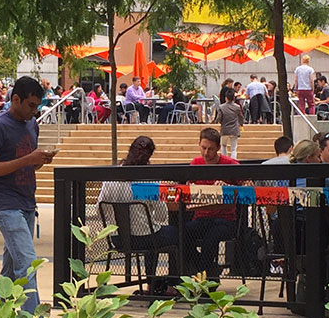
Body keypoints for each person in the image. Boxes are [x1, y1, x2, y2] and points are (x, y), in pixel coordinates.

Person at [0, 77, 56, 314]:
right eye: (31, 106)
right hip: (5, 204)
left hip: (26, 203)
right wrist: (29, 159)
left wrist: (39, 161)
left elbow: (27, 165)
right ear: (15, 100)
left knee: (12, 268)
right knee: (27, 263)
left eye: (37, 107)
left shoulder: (32, 124)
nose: (34, 112)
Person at [96, 136, 180, 291]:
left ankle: (151, 283)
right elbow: (161, 216)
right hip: (146, 238)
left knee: (152, 232)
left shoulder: (110, 179)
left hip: (117, 239)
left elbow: (100, 207)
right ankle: (169, 284)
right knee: (174, 234)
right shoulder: (150, 181)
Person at [187, 128, 240, 278]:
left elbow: (246, 187)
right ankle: (207, 270)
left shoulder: (230, 165)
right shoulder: (195, 163)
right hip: (201, 217)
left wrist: (227, 187)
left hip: (225, 220)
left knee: (211, 239)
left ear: (218, 148)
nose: (206, 153)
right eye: (203, 148)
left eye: (210, 149)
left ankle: (203, 276)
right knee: (182, 234)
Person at [215, 88, 243, 159]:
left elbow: (219, 118)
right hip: (234, 129)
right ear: (234, 98)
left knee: (223, 145)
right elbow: (241, 117)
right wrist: (241, 124)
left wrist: (221, 122)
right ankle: (233, 161)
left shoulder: (221, 107)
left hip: (224, 129)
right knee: (233, 148)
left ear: (226, 98)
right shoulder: (237, 107)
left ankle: (224, 159)